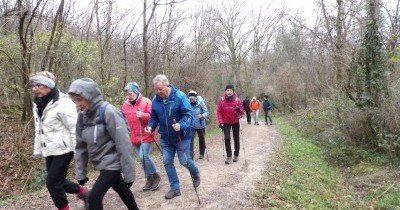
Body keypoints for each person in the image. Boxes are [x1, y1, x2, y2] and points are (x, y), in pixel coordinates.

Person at [68, 78, 139, 210]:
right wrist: (81, 172)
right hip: (101, 163)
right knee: (122, 190)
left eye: (80, 100)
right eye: (75, 101)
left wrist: (129, 173)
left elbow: (123, 143)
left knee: (94, 197)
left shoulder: (109, 112)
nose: (78, 104)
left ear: (89, 96)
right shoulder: (82, 117)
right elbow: (81, 147)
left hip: (113, 162)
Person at [30, 71, 88, 210]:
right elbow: (39, 129)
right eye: (33, 85)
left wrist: (78, 153)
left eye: (38, 85)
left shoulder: (62, 102)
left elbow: (74, 128)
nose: (34, 89)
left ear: (48, 85)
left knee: (52, 183)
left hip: (65, 148)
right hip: (50, 149)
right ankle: (83, 192)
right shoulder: (38, 104)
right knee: (58, 181)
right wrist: (38, 149)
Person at [144, 74, 200, 199]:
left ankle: (195, 173)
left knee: (184, 161)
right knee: (167, 162)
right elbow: (153, 117)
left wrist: (181, 125)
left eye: (160, 89)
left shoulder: (180, 97)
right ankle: (175, 189)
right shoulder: (155, 100)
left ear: (167, 85)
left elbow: (189, 115)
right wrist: (150, 127)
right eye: (156, 89)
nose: (158, 92)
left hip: (182, 136)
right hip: (166, 138)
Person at [121, 82, 161, 191]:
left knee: (144, 155)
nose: (129, 95)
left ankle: (155, 176)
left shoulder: (146, 102)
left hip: (146, 134)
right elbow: (124, 121)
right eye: (127, 94)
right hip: (134, 136)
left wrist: (143, 115)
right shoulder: (125, 106)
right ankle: (149, 179)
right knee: (141, 158)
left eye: (130, 93)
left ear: (136, 91)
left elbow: (153, 118)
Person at [217, 84, 244, 164]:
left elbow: (242, 112)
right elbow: (219, 112)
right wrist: (221, 122)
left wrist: (239, 110)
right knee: (227, 138)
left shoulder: (237, 100)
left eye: (230, 90)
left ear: (233, 91)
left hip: (235, 121)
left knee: (236, 138)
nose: (229, 92)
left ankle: (236, 154)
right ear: (225, 91)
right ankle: (229, 156)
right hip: (225, 122)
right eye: (227, 90)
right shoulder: (221, 100)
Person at [187, 90, 209, 160]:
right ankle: (191, 154)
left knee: (202, 138)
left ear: (196, 98)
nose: (192, 100)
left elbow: (206, 112)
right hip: (191, 124)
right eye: (190, 99)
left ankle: (202, 153)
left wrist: (202, 115)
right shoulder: (187, 103)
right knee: (190, 139)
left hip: (200, 123)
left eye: (193, 99)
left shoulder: (201, 103)